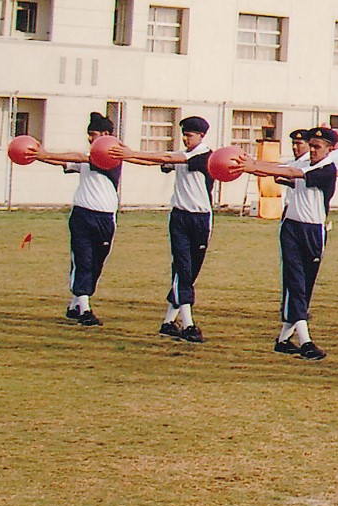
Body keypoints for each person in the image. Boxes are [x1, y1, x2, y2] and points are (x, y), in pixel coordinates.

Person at [242, 126, 338, 359]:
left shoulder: (326, 169)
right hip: (292, 228)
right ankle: (305, 342)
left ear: (329, 149)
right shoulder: (303, 165)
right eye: (311, 146)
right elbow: (281, 170)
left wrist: (252, 165)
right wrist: (253, 165)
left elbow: (291, 173)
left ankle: (284, 339)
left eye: (317, 147)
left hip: (313, 230)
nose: (313, 150)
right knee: (295, 282)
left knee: (304, 285)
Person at [119, 115, 215, 341]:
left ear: (201, 136)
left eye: (189, 135)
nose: (185, 139)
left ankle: (168, 321)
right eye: (184, 135)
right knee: (182, 268)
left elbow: (167, 157)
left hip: (201, 218)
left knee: (190, 272)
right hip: (180, 217)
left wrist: (132, 152)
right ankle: (188, 324)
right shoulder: (183, 156)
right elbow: (157, 161)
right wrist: (128, 156)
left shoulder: (204, 157)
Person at [31, 111, 124, 327]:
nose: (90, 139)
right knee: (83, 261)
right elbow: (66, 162)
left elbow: (81, 158)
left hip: (105, 218)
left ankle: (75, 305)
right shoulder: (87, 157)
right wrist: (39, 156)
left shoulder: (111, 157)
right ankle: (85, 309)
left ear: (106, 134)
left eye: (94, 134)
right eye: (89, 134)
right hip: (83, 215)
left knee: (97, 263)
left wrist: (46, 153)